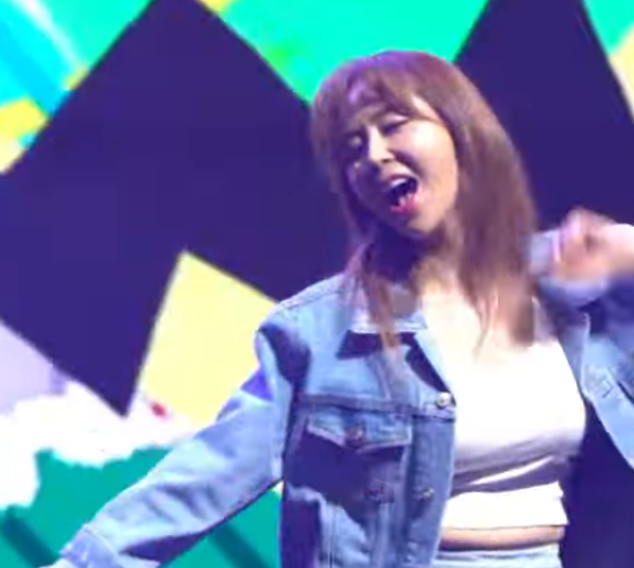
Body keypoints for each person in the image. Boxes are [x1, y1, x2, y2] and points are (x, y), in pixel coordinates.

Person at [47, 50, 634, 568]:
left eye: (393, 126)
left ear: (463, 132)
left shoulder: (578, 294)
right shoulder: (323, 334)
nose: (374, 156)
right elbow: (209, 471)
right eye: (353, 148)